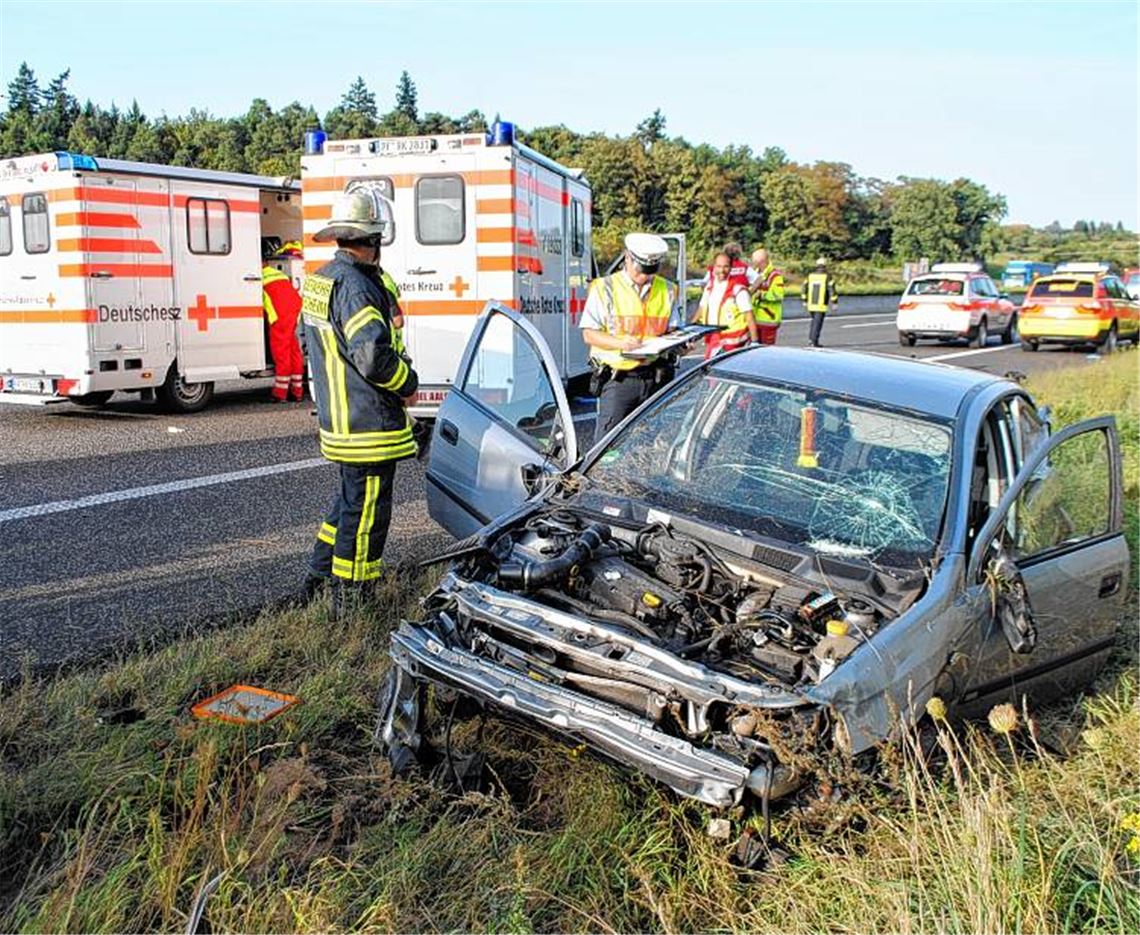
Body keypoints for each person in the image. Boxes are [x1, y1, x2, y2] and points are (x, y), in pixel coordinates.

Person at [299, 187, 419, 616]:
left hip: (338, 420)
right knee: (366, 518)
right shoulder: (358, 285)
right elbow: (372, 356)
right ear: (374, 239)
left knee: (348, 505)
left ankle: (318, 576)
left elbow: (304, 340)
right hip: (368, 424)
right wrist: (408, 383)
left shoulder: (320, 280)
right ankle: (351, 604)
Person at [580, 233, 681, 435]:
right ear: (627, 257)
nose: (645, 276)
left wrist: (681, 343)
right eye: (641, 269)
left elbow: (673, 330)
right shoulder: (604, 287)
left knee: (649, 444)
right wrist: (620, 342)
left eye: (650, 271)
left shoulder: (668, 289)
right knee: (608, 446)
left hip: (656, 378)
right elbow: (589, 334)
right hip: (619, 381)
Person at [261, 244, 306, 402]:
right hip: (295, 309)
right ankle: (297, 391)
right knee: (294, 351)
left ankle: (280, 394)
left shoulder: (257, 278)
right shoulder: (276, 273)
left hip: (280, 316)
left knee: (282, 353)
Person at [695, 251, 758, 357]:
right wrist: (689, 329)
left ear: (731, 268)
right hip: (714, 338)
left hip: (733, 344)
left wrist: (755, 341)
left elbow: (749, 317)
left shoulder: (738, 290)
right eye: (719, 266)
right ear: (713, 267)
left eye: (726, 267)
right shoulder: (710, 287)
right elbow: (702, 308)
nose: (722, 270)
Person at [750, 248, 786, 345]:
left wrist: (761, 295)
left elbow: (778, 295)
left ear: (761, 261)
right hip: (754, 319)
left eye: (754, 261)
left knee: (766, 351)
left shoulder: (775, 276)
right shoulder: (755, 274)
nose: (753, 263)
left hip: (768, 320)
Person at [801, 257, 839, 347]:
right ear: (825, 266)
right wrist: (834, 302)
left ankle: (811, 339)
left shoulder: (810, 275)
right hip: (820, 304)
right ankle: (814, 342)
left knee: (814, 322)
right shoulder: (827, 276)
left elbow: (804, 287)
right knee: (817, 324)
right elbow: (831, 290)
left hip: (811, 304)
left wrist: (804, 300)